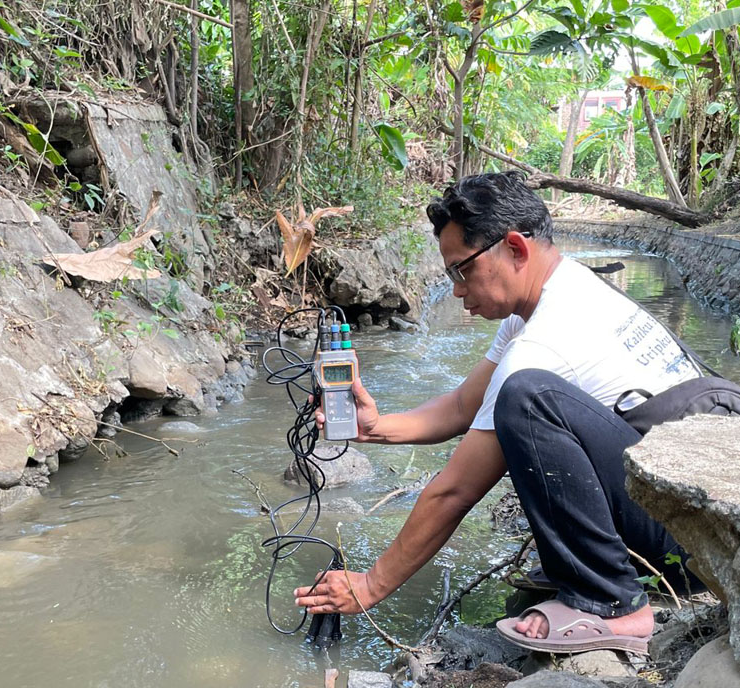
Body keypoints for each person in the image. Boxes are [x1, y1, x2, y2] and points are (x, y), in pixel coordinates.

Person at [294, 170, 701, 654]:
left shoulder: (545, 344)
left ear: (515, 249)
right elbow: (466, 405)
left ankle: (614, 604)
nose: (457, 291)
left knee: (525, 399)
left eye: (461, 271)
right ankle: (601, 574)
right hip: (687, 505)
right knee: (519, 397)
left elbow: (453, 492)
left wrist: (370, 586)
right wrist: (378, 427)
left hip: (690, 539)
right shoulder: (561, 294)